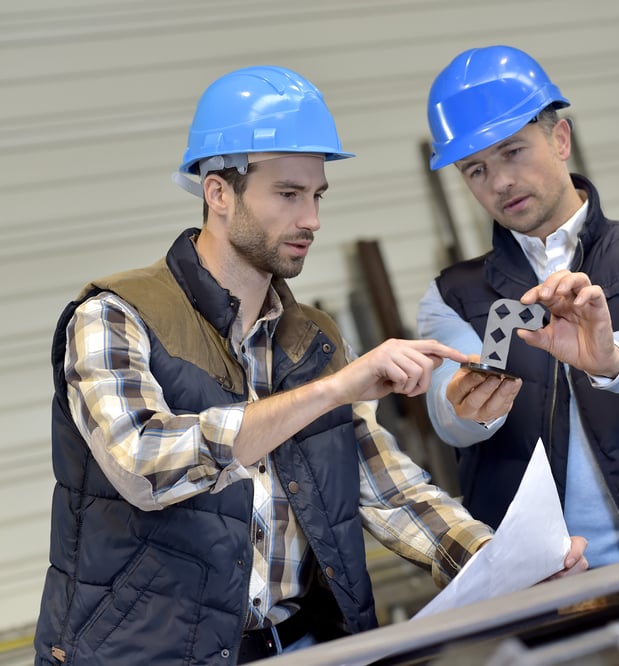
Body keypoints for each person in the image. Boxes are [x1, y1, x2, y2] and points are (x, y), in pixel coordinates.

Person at [34, 65, 586, 666]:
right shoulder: (117, 316)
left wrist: (508, 564)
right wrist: (330, 392)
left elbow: (387, 490)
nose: (312, 220)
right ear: (218, 192)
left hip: (303, 647)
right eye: (288, 194)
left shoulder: (311, 340)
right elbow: (143, 465)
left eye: (316, 195)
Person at [417, 45, 619, 569]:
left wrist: (610, 358)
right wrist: (465, 406)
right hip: (547, 582)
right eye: (476, 169)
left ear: (560, 138)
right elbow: (447, 413)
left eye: (513, 152)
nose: (499, 182)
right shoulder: (454, 295)